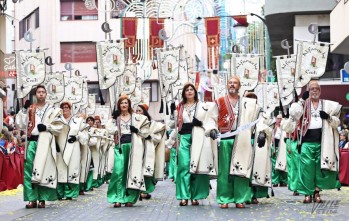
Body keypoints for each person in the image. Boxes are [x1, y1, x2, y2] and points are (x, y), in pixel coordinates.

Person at [284, 80, 342, 203]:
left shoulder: (326, 105)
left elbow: (337, 122)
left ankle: (316, 192)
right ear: (308, 91)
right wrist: (301, 100)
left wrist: (328, 117)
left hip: (322, 142)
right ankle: (307, 193)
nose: (314, 90)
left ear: (320, 91)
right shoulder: (303, 105)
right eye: (311, 89)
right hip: (306, 142)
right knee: (306, 169)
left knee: (319, 169)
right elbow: (293, 114)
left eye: (316, 88)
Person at [215, 76, 263, 209]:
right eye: (230, 82)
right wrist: (212, 130)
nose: (232, 85)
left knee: (241, 170)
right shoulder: (219, 102)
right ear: (226, 85)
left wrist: (262, 132)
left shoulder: (247, 103)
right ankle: (224, 198)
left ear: (239, 86)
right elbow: (211, 119)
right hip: (226, 140)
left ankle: (240, 198)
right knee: (224, 171)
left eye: (235, 83)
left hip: (242, 140)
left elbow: (259, 117)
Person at [16, 85, 64, 208]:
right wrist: (23, 110)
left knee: (44, 169)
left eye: (43, 92)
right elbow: (20, 124)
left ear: (46, 94)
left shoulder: (53, 109)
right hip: (32, 142)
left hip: (46, 142)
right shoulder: (30, 108)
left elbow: (60, 127)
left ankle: (43, 198)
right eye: (39, 92)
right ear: (35, 94)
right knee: (29, 170)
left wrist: (47, 127)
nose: (41, 94)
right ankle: (32, 199)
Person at [174, 83, 218, 206]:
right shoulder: (179, 107)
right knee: (183, 166)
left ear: (195, 92)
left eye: (191, 89)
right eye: (186, 90)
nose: (189, 91)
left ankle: (195, 196)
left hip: (198, 136)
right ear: (184, 93)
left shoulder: (202, 106)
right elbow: (173, 125)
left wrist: (204, 125)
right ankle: (184, 196)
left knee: (197, 166)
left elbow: (210, 120)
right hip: (184, 137)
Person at [106, 95, 150, 207]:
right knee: (118, 172)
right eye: (122, 103)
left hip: (133, 146)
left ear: (129, 104)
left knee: (132, 171)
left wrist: (137, 130)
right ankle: (118, 197)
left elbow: (146, 132)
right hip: (120, 147)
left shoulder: (136, 117)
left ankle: (130, 197)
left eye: (126, 103)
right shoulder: (116, 118)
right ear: (119, 105)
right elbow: (109, 130)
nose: (124, 105)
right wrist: (116, 125)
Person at [56, 102, 88, 200]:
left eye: (67, 107)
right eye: (63, 107)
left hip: (73, 146)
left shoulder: (77, 121)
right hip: (60, 148)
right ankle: (60, 193)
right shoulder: (57, 120)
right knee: (60, 170)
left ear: (70, 109)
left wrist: (77, 137)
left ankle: (70, 193)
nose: (65, 109)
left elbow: (85, 135)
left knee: (72, 168)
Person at [136, 104, 166, 200]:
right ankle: (137, 190)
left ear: (145, 111)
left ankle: (145, 191)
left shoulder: (153, 124)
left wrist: (149, 137)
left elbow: (157, 137)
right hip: (136, 148)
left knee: (147, 170)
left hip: (148, 149)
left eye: (140, 110)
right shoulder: (133, 122)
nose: (138, 113)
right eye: (136, 111)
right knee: (137, 169)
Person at [271, 114, 288, 187]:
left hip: (283, 146)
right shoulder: (273, 127)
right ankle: (275, 181)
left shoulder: (283, 127)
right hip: (275, 146)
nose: (279, 120)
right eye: (278, 118)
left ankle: (283, 181)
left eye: (280, 119)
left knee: (283, 164)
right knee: (275, 165)